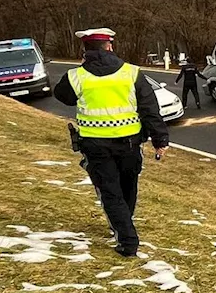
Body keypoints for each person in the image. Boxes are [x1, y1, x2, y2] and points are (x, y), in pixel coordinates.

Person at [54, 27, 169, 257]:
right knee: (128, 188)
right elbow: (150, 108)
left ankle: (126, 239)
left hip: (95, 146)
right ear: (110, 47)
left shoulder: (76, 76)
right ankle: (126, 227)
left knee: (110, 193)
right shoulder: (132, 73)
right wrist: (160, 139)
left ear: (85, 50)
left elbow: (62, 96)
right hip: (129, 144)